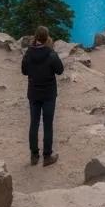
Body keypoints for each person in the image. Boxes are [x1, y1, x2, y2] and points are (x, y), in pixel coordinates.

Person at [21, 26, 64, 166]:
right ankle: (47, 157)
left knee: (34, 123)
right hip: (48, 94)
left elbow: (24, 71)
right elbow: (60, 70)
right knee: (47, 124)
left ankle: (34, 156)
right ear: (47, 38)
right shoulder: (51, 54)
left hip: (33, 93)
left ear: (35, 37)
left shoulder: (29, 53)